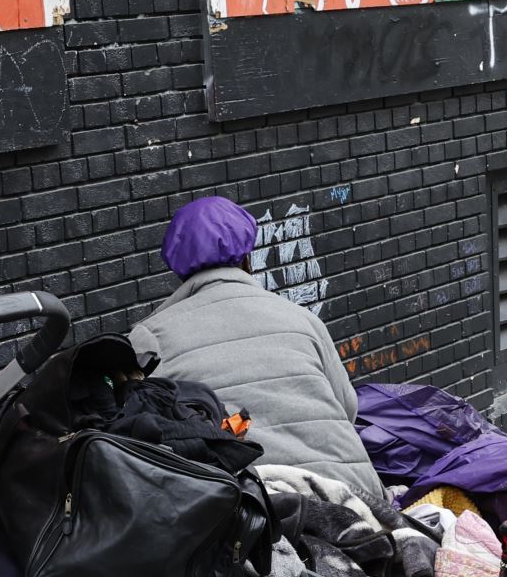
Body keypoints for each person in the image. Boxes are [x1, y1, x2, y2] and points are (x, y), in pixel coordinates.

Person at [129, 196, 387, 503]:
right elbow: (348, 407)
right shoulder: (301, 317)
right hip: (353, 493)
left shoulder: (149, 336)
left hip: (252, 510)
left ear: (178, 270)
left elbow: (140, 439)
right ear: (247, 258)